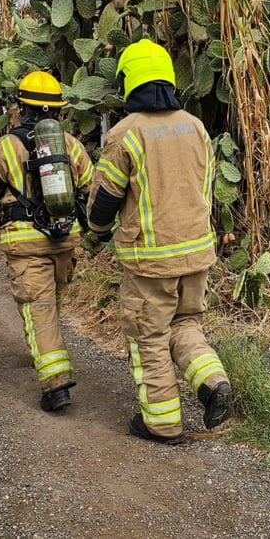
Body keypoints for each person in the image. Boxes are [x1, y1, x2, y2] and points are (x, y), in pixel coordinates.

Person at [85, 39, 232, 445]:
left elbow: (104, 204)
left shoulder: (125, 134)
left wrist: (95, 235)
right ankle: (213, 381)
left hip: (150, 262)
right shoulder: (196, 127)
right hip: (197, 252)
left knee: (149, 337)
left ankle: (162, 423)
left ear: (129, 81)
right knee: (186, 324)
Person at [0, 71, 94, 413]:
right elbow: (91, 191)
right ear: (58, 111)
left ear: (21, 107)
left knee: (40, 309)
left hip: (26, 243)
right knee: (51, 304)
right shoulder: (72, 146)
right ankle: (46, 351)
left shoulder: (7, 146)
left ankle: (56, 385)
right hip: (64, 240)